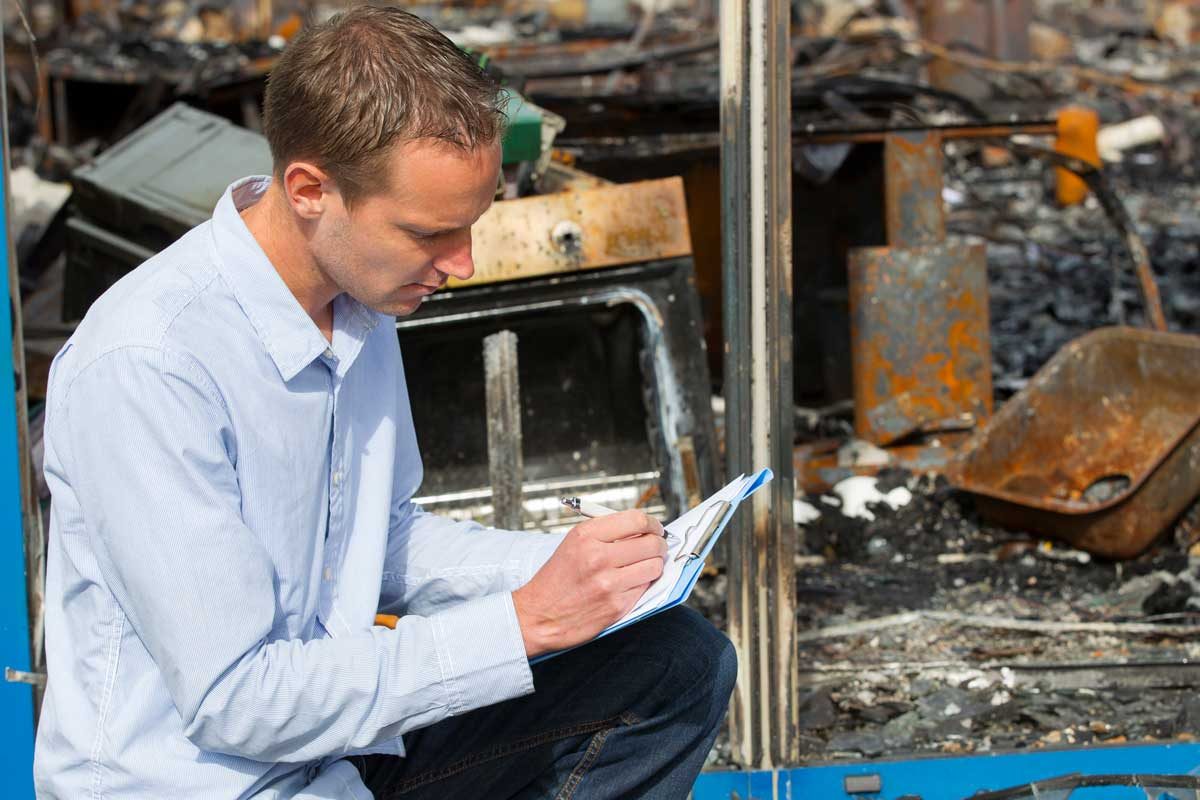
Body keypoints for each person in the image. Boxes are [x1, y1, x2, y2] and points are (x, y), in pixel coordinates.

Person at [33, 7, 735, 799]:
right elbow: (239, 699)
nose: (462, 263)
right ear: (309, 190)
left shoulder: (356, 299)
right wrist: (526, 621)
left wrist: (578, 572)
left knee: (676, 662)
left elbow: (382, 540)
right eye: (430, 233)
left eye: (471, 226)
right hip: (213, 781)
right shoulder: (151, 365)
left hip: (337, 749)